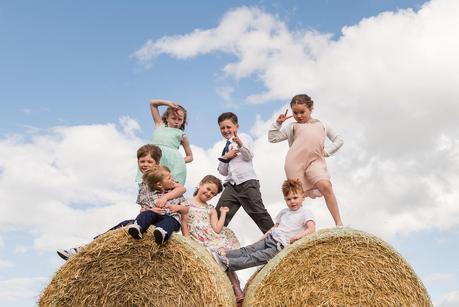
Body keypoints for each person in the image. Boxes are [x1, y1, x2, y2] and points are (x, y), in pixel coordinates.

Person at [57, 144, 186, 260]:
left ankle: (86, 249)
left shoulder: (165, 178)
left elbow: (181, 188)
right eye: (142, 161)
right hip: (151, 217)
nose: (145, 164)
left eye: (149, 161)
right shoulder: (142, 185)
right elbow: (143, 209)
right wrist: (148, 211)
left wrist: (165, 198)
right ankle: (85, 248)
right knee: (123, 226)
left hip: (166, 218)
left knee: (136, 225)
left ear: (157, 163)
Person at [268, 94, 344, 226]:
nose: (299, 116)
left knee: (326, 186)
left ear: (311, 108)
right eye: (295, 113)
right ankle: (290, 228)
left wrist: (327, 152)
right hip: (294, 164)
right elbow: (272, 138)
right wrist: (278, 123)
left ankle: (339, 224)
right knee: (297, 198)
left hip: (315, 162)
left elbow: (339, 140)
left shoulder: (323, 124)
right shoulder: (291, 126)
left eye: (302, 112)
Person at [212, 179, 315, 272]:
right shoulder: (284, 212)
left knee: (255, 257)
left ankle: (228, 263)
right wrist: (263, 237)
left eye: (295, 198)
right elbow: (275, 227)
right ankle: (225, 254)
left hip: (279, 247)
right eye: (288, 199)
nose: (292, 201)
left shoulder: (305, 212)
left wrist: (298, 236)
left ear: (303, 196)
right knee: (248, 249)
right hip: (270, 238)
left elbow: (311, 228)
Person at [186, 175, 244, 303]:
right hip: (196, 240)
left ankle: (236, 287)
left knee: (223, 257)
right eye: (207, 189)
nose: (208, 193)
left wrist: (223, 213)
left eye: (212, 193)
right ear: (200, 184)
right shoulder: (185, 203)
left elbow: (217, 228)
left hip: (211, 238)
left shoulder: (210, 209)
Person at [215, 112, 274, 234]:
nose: (225, 130)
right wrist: (227, 156)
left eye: (228, 127)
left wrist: (240, 144)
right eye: (222, 128)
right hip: (231, 185)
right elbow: (223, 171)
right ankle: (212, 242)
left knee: (259, 213)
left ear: (237, 127)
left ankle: (279, 241)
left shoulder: (244, 138)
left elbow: (248, 156)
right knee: (219, 213)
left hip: (247, 182)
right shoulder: (225, 148)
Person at [136, 99, 193, 185]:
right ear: (167, 118)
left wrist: (178, 161)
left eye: (180, 119)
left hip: (172, 165)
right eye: (173, 118)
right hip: (154, 157)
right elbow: (153, 104)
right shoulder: (159, 125)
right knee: (148, 183)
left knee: (167, 185)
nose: (176, 121)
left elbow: (190, 157)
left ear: (183, 121)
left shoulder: (182, 135)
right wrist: (167, 103)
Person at [128, 165, 189, 245]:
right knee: (146, 214)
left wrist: (178, 207)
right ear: (159, 184)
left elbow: (186, 209)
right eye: (169, 178)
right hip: (155, 217)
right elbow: (142, 210)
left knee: (169, 221)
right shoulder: (150, 195)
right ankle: (138, 227)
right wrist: (151, 210)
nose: (173, 180)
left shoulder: (176, 192)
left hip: (171, 217)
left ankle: (162, 233)